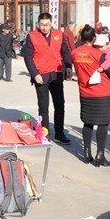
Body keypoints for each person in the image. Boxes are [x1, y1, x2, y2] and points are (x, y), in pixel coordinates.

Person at [22, 12, 73, 144]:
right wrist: (34, 74)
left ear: (51, 24)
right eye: (42, 25)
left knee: (60, 105)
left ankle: (59, 133)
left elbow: (65, 51)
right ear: (38, 24)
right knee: (43, 106)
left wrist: (68, 66)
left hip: (56, 74)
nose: (44, 27)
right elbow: (28, 57)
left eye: (47, 25)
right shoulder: (32, 36)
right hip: (41, 75)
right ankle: (45, 132)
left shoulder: (58, 34)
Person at [72, 26, 110, 166]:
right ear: (93, 38)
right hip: (102, 92)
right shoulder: (99, 54)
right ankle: (100, 155)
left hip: (85, 92)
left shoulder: (75, 53)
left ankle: (86, 153)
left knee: (88, 122)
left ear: (81, 38)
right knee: (103, 123)